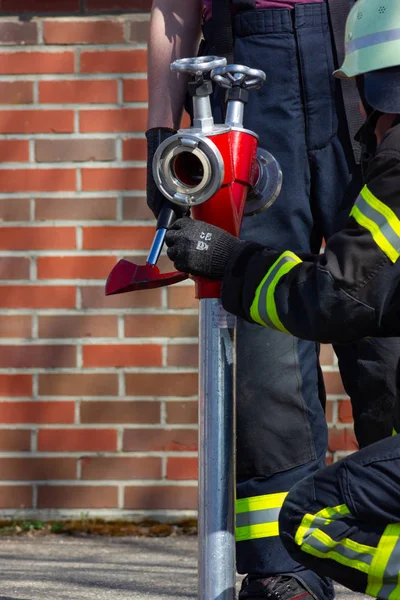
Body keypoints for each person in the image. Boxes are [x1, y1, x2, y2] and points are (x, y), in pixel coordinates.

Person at [146, 1, 400, 598]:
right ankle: (286, 568)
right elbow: (172, 7)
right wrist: (161, 132)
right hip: (248, 72)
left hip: (366, 52)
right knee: (264, 338)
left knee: (387, 318)